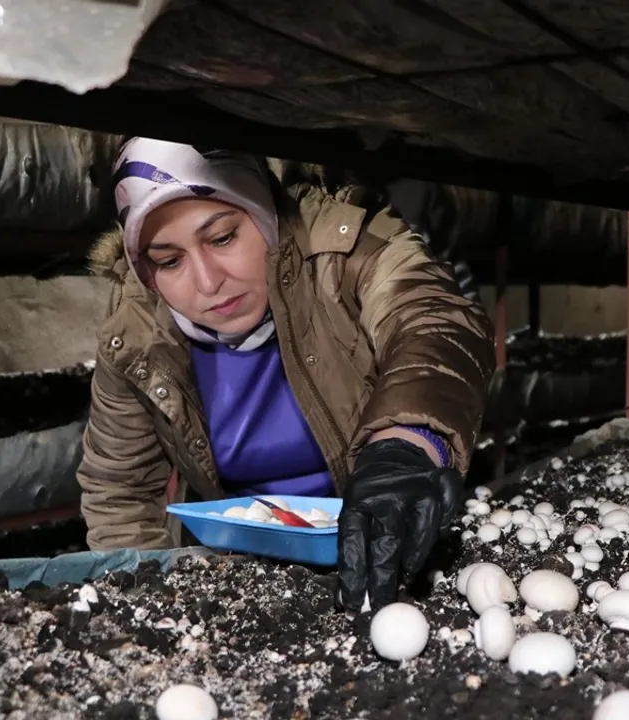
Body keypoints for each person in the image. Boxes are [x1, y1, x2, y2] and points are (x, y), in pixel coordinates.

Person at [77, 138, 495, 612]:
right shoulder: (137, 334)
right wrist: (162, 605)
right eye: (170, 261)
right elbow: (119, 492)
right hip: (242, 577)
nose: (208, 281)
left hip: (386, 541)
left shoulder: (342, 250)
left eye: (223, 237)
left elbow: (433, 321)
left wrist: (407, 445)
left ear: (261, 210)